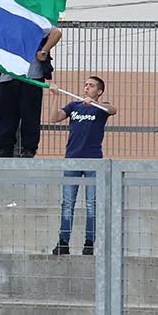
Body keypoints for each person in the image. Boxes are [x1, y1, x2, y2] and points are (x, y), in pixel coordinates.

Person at [48, 77, 117, 255]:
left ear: (99, 91)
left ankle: (89, 243)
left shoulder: (101, 108)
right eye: (86, 85)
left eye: (91, 86)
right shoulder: (73, 106)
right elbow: (54, 118)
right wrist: (55, 96)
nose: (87, 87)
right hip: (72, 160)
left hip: (93, 162)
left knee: (91, 204)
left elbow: (113, 110)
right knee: (67, 203)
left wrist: (94, 103)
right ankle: (63, 242)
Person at [0, 27, 63, 158]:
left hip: (32, 76)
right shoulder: (4, 22)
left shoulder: (33, 21)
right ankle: (5, 148)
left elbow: (56, 33)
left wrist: (44, 51)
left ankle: (29, 148)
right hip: (8, 75)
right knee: (6, 114)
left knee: (30, 114)